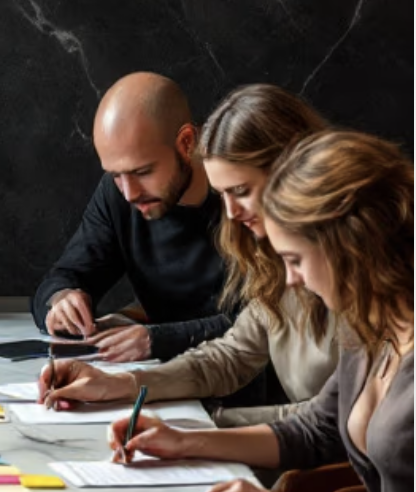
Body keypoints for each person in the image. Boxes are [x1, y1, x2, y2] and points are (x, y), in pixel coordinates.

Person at [110, 130, 412, 492]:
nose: (291, 281)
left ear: (351, 247)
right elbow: (315, 429)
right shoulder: (373, 326)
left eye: (295, 259)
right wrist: (186, 442)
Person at [40, 84, 338, 425]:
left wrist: (197, 430)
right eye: (223, 194)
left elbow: (327, 424)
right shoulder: (275, 256)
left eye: (239, 192)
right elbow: (231, 355)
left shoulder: (358, 266)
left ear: (296, 175)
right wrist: (117, 385)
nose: (231, 214)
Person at [32, 72, 233, 364]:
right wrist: (62, 300)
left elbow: (262, 327)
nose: (129, 193)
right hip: (168, 381)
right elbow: (62, 277)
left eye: (142, 172)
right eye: (115, 175)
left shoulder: (241, 195)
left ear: (186, 142)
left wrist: (156, 339)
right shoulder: (120, 195)